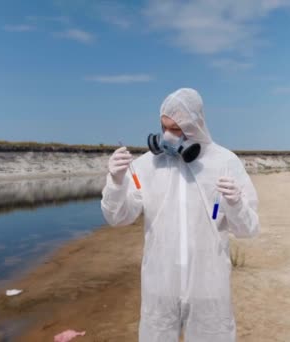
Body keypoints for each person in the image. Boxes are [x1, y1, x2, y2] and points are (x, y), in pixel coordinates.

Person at [100, 87, 260, 342]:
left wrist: (236, 203)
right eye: (164, 127)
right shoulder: (146, 165)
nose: (167, 136)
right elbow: (118, 217)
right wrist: (117, 182)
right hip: (159, 287)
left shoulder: (224, 162)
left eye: (176, 130)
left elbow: (248, 229)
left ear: (196, 125)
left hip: (208, 287)